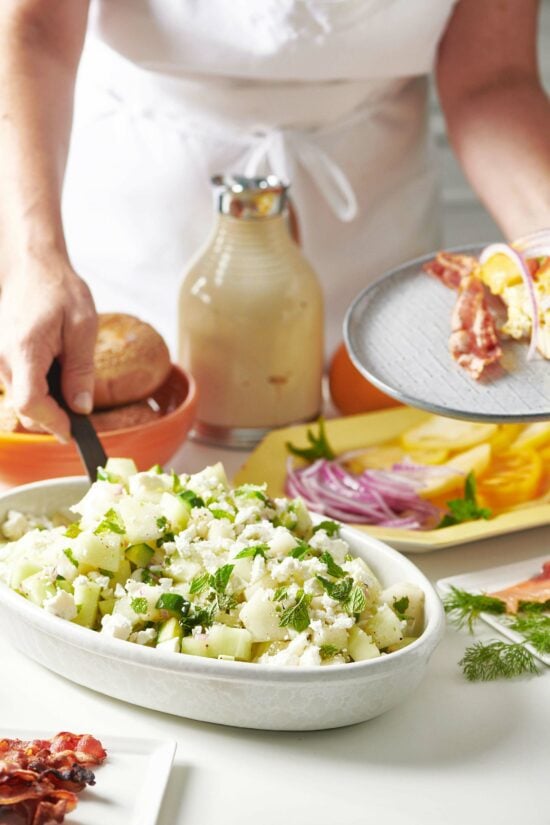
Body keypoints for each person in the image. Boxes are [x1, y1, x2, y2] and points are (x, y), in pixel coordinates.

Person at [0, 0, 547, 441]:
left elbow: (492, 76)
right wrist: (33, 255)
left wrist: (543, 259)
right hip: (138, 229)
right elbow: (34, 28)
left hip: (375, 244)